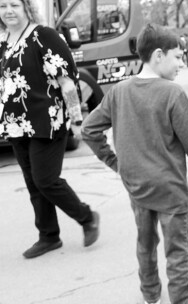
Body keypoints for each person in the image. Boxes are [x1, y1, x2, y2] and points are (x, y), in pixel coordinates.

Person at [81, 24, 188, 304]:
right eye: (178, 57)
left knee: (145, 246)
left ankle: (150, 297)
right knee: (178, 253)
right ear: (158, 55)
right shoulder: (173, 94)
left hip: (137, 186)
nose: (182, 63)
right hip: (171, 191)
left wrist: (117, 164)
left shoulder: (119, 92)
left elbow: (88, 130)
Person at [0, 0, 99, 259]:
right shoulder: (2, 42)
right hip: (15, 123)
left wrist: (77, 120)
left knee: (46, 179)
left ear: (26, 8)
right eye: (2, 6)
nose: (8, 10)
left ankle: (87, 216)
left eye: (14, 5)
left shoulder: (43, 36)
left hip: (48, 120)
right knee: (33, 183)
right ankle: (49, 236)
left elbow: (67, 82)